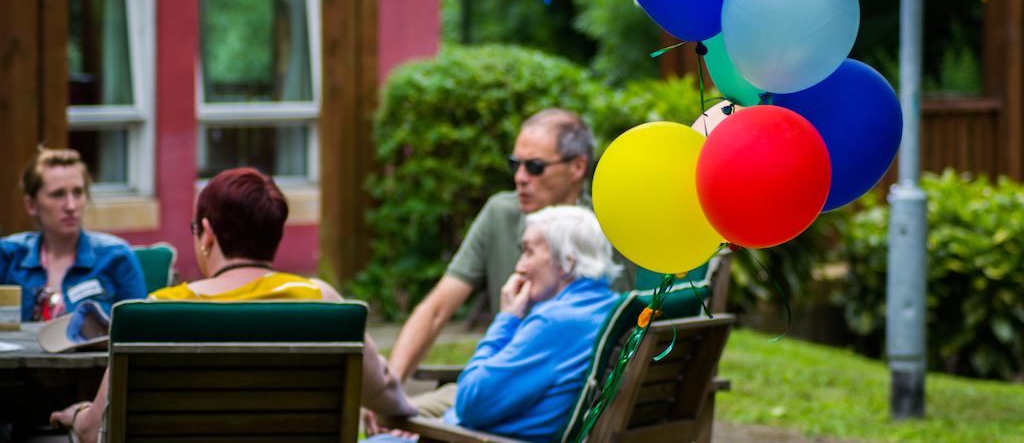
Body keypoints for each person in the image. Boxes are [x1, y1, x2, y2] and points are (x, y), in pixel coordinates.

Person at [50, 167, 416, 443]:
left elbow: (98, 428)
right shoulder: (320, 300)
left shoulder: (156, 311)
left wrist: (78, 414)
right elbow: (387, 394)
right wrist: (409, 411)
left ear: (207, 234)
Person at [387, 109, 633, 384]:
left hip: (571, 400)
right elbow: (436, 310)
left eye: (535, 167)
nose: (520, 177)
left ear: (577, 167)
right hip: (503, 386)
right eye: (515, 164)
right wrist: (391, 386)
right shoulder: (500, 213)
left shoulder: (607, 226)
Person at [371, 206, 622, 443]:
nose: (519, 266)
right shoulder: (610, 309)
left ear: (567, 262)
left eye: (529, 251)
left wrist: (507, 319)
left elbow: (472, 403)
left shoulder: (555, 322)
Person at [0, 148, 146, 322]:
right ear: (31, 205)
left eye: (77, 193)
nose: (71, 206)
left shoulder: (116, 256)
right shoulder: (8, 256)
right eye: (58, 194)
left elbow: (139, 330)